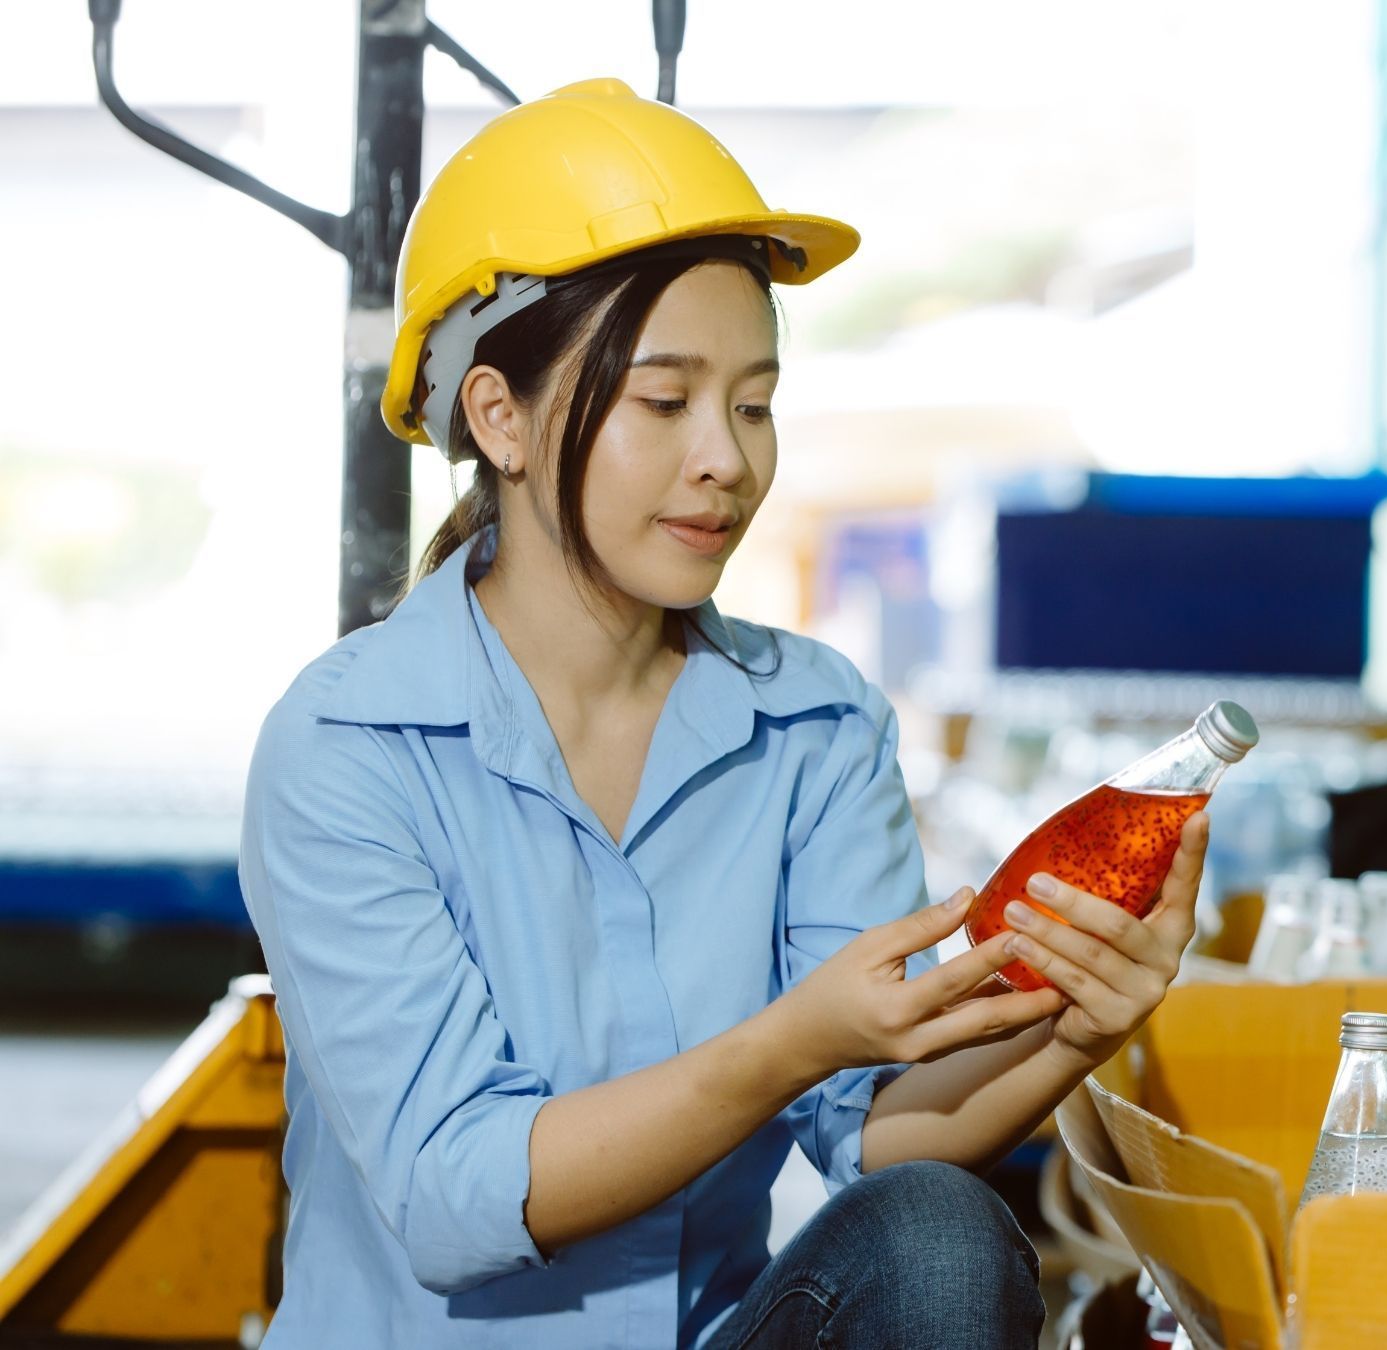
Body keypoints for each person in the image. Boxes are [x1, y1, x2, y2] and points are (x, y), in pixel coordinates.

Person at [238, 78, 1208, 1349]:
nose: (729, 460)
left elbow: (872, 1127)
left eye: (754, 404)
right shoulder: (350, 747)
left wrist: (1084, 1019)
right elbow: (450, 1193)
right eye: (665, 402)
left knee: (935, 1233)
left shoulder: (816, 726)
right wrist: (785, 1044)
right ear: (500, 417)